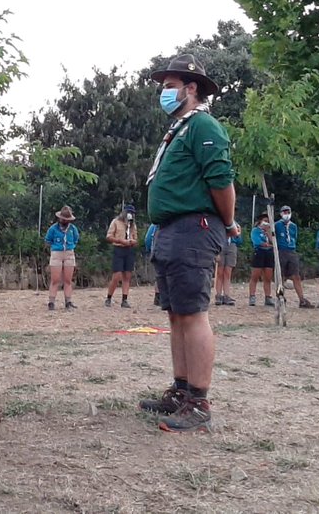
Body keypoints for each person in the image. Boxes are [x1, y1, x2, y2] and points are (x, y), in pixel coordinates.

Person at [137, 53, 237, 433]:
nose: (163, 93)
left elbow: (221, 181)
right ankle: (181, 391)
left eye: (169, 86)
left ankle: (198, 401)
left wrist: (227, 223)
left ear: (191, 88)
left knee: (193, 314)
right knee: (176, 313)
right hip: (171, 230)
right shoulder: (179, 129)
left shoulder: (203, 126)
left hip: (193, 228)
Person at [274, 205, 314, 308]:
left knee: (296, 276)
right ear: (281, 213)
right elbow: (273, 237)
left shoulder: (293, 226)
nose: (286, 214)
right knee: (281, 276)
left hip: (291, 250)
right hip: (281, 251)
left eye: (288, 212)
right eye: (284, 212)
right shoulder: (277, 225)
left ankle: (302, 300)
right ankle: (280, 297)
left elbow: (294, 238)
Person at [45, 206, 81, 311]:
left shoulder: (73, 229)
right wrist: (55, 248)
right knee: (55, 279)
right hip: (57, 252)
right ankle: (51, 302)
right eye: (64, 219)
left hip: (69, 252)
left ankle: (68, 301)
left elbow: (76, 239)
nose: (65, 221)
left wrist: (70, 247)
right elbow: (48, 240)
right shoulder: (53, 228)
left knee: (68, 280)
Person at [105, 205, 139, 308]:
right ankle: (109, 297)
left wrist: (133, 242)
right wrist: (120, 240)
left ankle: (124, 299)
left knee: (127, 276)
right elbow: (109, 236)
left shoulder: (132, 225)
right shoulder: (115, 222)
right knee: (117, 276)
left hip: (129, 250)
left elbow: (135, 238)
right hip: (119, 249)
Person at [248, 214, 275, 307]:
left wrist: (268, 233)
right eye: (265, 220)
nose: (266, 222)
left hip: (269, 253)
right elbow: (257, 242)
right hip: (259, 253)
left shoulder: (269, 231)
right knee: (255, 276)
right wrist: (266, 244)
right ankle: (252, 296)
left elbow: (273, 242)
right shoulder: (255, 231)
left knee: (268, 277)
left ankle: (268, 297)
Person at [214, 228, 243, 306]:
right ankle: (218, 295)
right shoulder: (220, 223)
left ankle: (226, 295)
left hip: (232, 246)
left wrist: (238, 234)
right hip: (221, 245)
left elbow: (240, 241)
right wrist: (216, 252)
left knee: (228, 273)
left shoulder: (236, 225)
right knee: (220, 273)